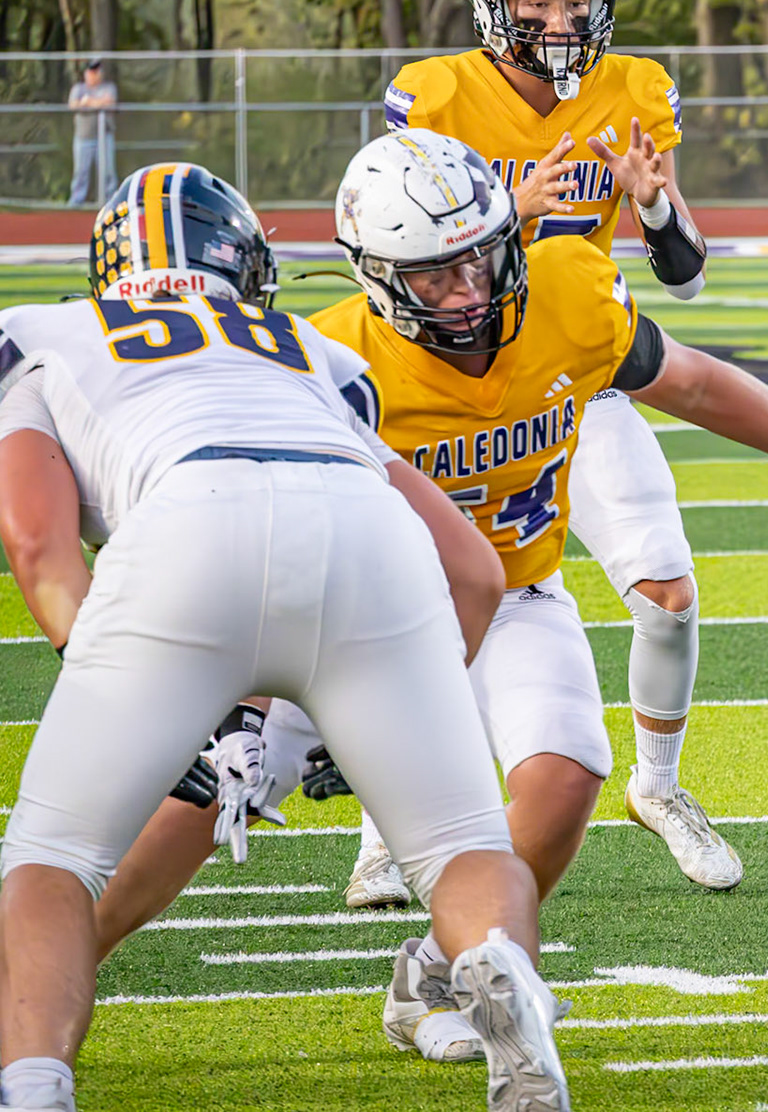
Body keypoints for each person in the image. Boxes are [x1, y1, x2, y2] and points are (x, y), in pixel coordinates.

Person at [309, 130, 768, 1066]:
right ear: (377, 276)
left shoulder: (566, 291)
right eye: (437, 275)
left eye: (482, 257)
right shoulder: (328, 362)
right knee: (194, 805)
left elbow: (692, 383)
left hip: (516, 593)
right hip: (373, 616)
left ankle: (432, 974)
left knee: (565, 781)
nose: (470, 289)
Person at [0, 161, 568, 1112]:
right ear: (245, 266)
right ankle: (500, 962)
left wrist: (110, 675)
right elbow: (473, 570)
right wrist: (382, 710)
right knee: (464, 846)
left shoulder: (43, 335)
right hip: (370, 540)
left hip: (187, 524)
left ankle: (34, 1085)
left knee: (54, 858)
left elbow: (37, 542)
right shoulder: (310, 353)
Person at [369, 0, 736, 903]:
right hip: (459, 385)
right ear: (494, 2)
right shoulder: (434, 95)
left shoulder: (634, 89)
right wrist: (505, 217)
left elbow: (686, 277)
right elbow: (387, 250)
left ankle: (658, 786)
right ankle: (385, 825)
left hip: (579, 376)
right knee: (431, 598)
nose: (563, 19)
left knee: (668, 595)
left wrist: (652, 204)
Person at [65, 60, 117, 208]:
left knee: (108, 171)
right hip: (83, 138)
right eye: (91, 72)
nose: (94, 75)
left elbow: (110, 103)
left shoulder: (108, 87)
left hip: (105, 137)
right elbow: (73, 105)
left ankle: (110, 202)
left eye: (97, 71)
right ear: (86, 74)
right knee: (81, 171)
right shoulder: (78, 89)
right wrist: (98, 103)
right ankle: (76, 201)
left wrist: (88, 102)